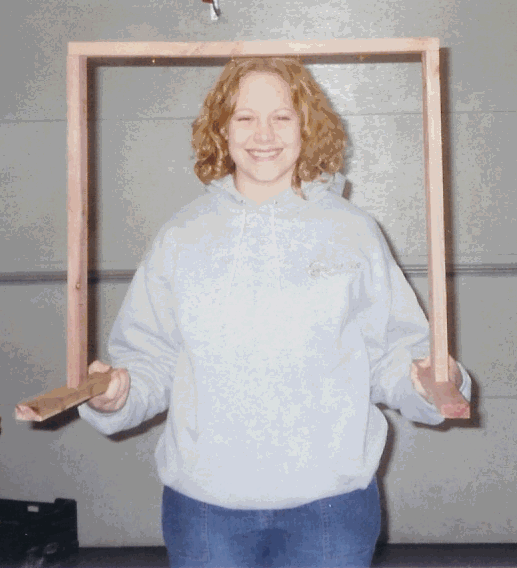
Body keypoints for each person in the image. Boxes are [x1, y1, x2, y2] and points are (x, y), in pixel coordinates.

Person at [79, 57, 472, 568]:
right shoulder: (180, 237)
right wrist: (116, 397)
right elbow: (151, 360)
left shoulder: (353, 232)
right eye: (245, 117)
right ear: (222, 129)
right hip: (206, 511)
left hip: (330, 510)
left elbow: (393, 356)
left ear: (306, 126)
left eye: (282, 117)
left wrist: (430, 381)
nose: (263, 134)